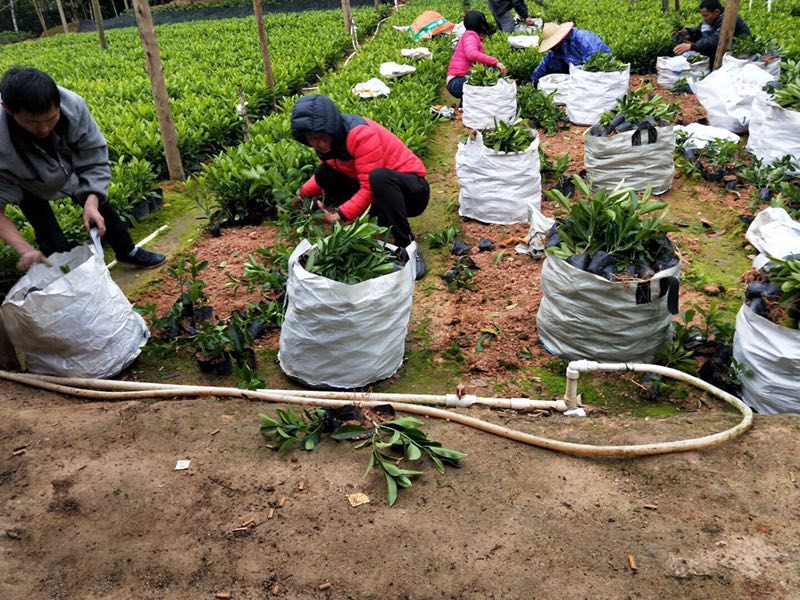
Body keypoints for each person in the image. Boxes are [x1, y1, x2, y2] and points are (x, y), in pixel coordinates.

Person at [0, 67, 165, 272]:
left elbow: (93, 156)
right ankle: (67, 277)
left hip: (70, 166)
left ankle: (127, 251)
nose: (43, 129)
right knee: (47, 230)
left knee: (102, 208)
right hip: (26, 180)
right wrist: (24, 249)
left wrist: (92, 200)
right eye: (32, 123)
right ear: (7, 108)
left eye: (51, 119)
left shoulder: (73, 106)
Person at [291, 94, 430, 280]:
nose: (320, 144)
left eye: (323, 137)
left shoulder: (360, 134)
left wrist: (338, 216)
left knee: (378, 177)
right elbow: (330, 173)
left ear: (331, 129)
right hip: (384, 192)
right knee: (324, 172)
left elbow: (369, 187)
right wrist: (301, 196)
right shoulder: (330, 144)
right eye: (313, 138)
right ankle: (382, 223)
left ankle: (408, 245)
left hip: (413, 192)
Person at [446, 11, 508, 100]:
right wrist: (496, 62)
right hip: (456, 83)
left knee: (488, 73)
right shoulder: (470, 36)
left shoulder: (469, 35)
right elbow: (471, 54)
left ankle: (466, 105)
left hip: (457, 81)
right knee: (492, 72)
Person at [530, 22, 612, 86]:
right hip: (582, 78)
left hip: (602, 74)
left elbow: (595, 58)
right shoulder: (558, 49)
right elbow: (546, 65)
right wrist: (533, 80)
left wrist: (582, 75)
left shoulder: (582, 37)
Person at [672, 0, 751, 62]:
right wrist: (688, 33)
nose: (704, 18)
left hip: (738, 54)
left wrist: (692, 46)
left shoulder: (727, 19)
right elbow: (700, 30)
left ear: (716, 12)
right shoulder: (710, 20)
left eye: (706, 15)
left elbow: (716, 40)